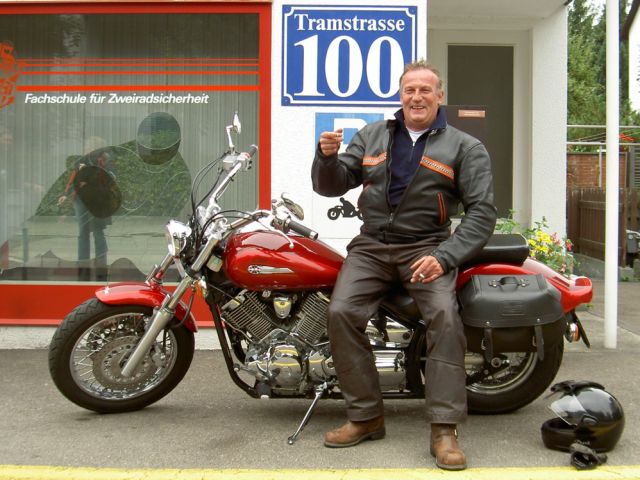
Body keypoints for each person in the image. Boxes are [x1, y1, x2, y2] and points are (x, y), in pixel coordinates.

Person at [311, 60, 497, 470]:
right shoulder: (373, 135)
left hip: (426, 247)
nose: (417, 97)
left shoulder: (465, 147)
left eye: (425, 90)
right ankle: (365, 417)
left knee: (445, 318)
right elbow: (332, 185)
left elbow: (482, 214)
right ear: (400, 95)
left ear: (440, 96)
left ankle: (444, 430)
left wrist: (443, 257)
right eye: (410, 90)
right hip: (371, 247)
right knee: (340, 313)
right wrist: (326, 158)